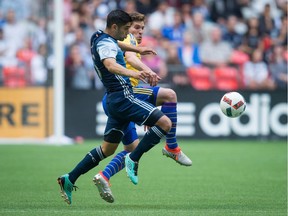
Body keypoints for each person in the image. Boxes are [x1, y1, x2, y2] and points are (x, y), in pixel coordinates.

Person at [57, 9, 171, 205]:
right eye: (126, 29)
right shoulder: (105, 45)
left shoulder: (98, 36)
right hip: (123, 97)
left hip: (114, 99)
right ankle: (133, 159)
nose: (127, 34)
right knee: (165, 123)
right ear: (115, 27)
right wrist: (134, 74)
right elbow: (110, 65)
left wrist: (138, 50)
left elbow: (116, 43)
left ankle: (70, 178)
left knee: (107, 149)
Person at [93, 12, 192, 203]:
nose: (139, 32)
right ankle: (172, 147)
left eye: (142, 29)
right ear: (126, 27)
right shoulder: (125, 38)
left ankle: (104, 176)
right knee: (170, 96)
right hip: (126, 96)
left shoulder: (124, 40)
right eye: (136, 28)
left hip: (125, 96)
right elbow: (130, 58)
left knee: (130, 148)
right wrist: (147, 70)